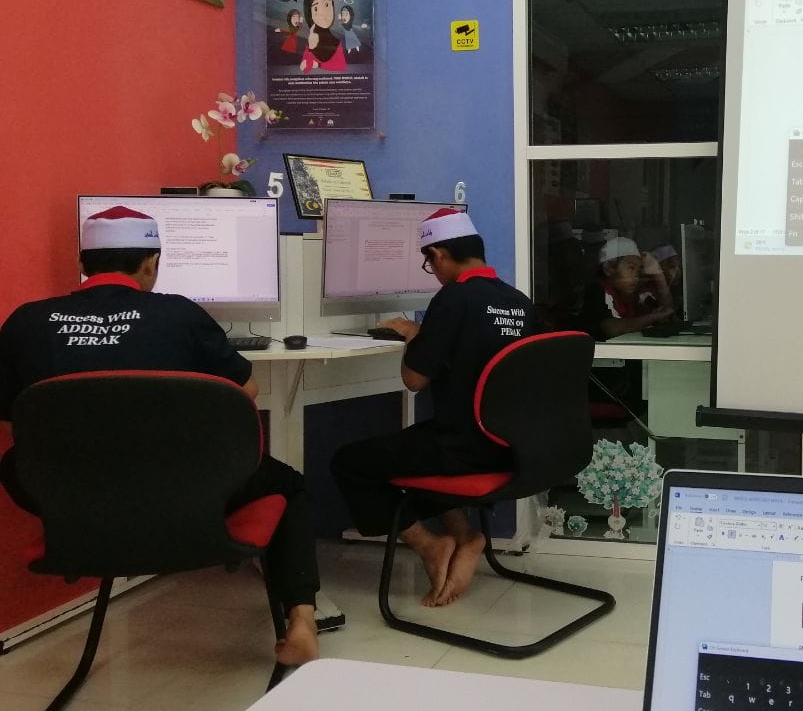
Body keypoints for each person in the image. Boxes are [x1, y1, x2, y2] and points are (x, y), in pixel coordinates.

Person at [0, 206, 320, 665]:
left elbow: (16, 417)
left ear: (84, 262)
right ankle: (302, 619)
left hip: (75, 504)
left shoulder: (26, 322)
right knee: (290, 484)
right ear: (151, 263)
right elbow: (244, 393)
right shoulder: (179, 314)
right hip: (187, 492)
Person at [330, 209, 537, 607]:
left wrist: (414, 337)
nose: (433, 271)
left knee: (351, 462)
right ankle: (465, 536)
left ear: (439, 254)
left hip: (464, 450)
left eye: (429, 262)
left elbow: (414, 380)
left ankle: (429, 544)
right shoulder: (518, 301)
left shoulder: (454, 297)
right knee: (420, 445)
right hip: (512, 447)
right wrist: (429, 336)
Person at [580, 237, 673, 340]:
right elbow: (612, 329)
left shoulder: (630, 295)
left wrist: (658, 274)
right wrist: (655, 316)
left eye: (638, 271)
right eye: (631, 268)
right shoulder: (596, 291)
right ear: (609, 268)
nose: (636, 277)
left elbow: (667, 311)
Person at [299, 0, 348, 73]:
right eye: (316, 8)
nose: (323, 13)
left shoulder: (336, 42)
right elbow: (304, 68)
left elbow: (341, 66)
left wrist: (319, 65)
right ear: (310, 14)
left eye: (326, 5)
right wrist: (311, 48)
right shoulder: (311, 40)